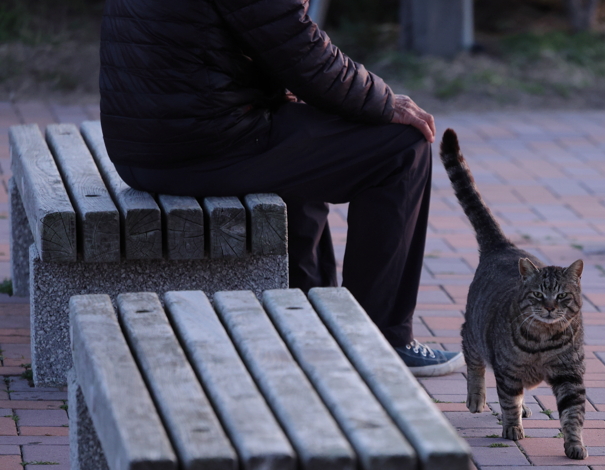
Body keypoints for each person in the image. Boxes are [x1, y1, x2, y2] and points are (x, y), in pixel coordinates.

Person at [98, 0, 464, 377]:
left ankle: (315, 318)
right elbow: (298, 50)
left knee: (304, 136)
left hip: (145, 146)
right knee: (402, 147)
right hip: (203, 146)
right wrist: (384, 101)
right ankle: (380, 339)